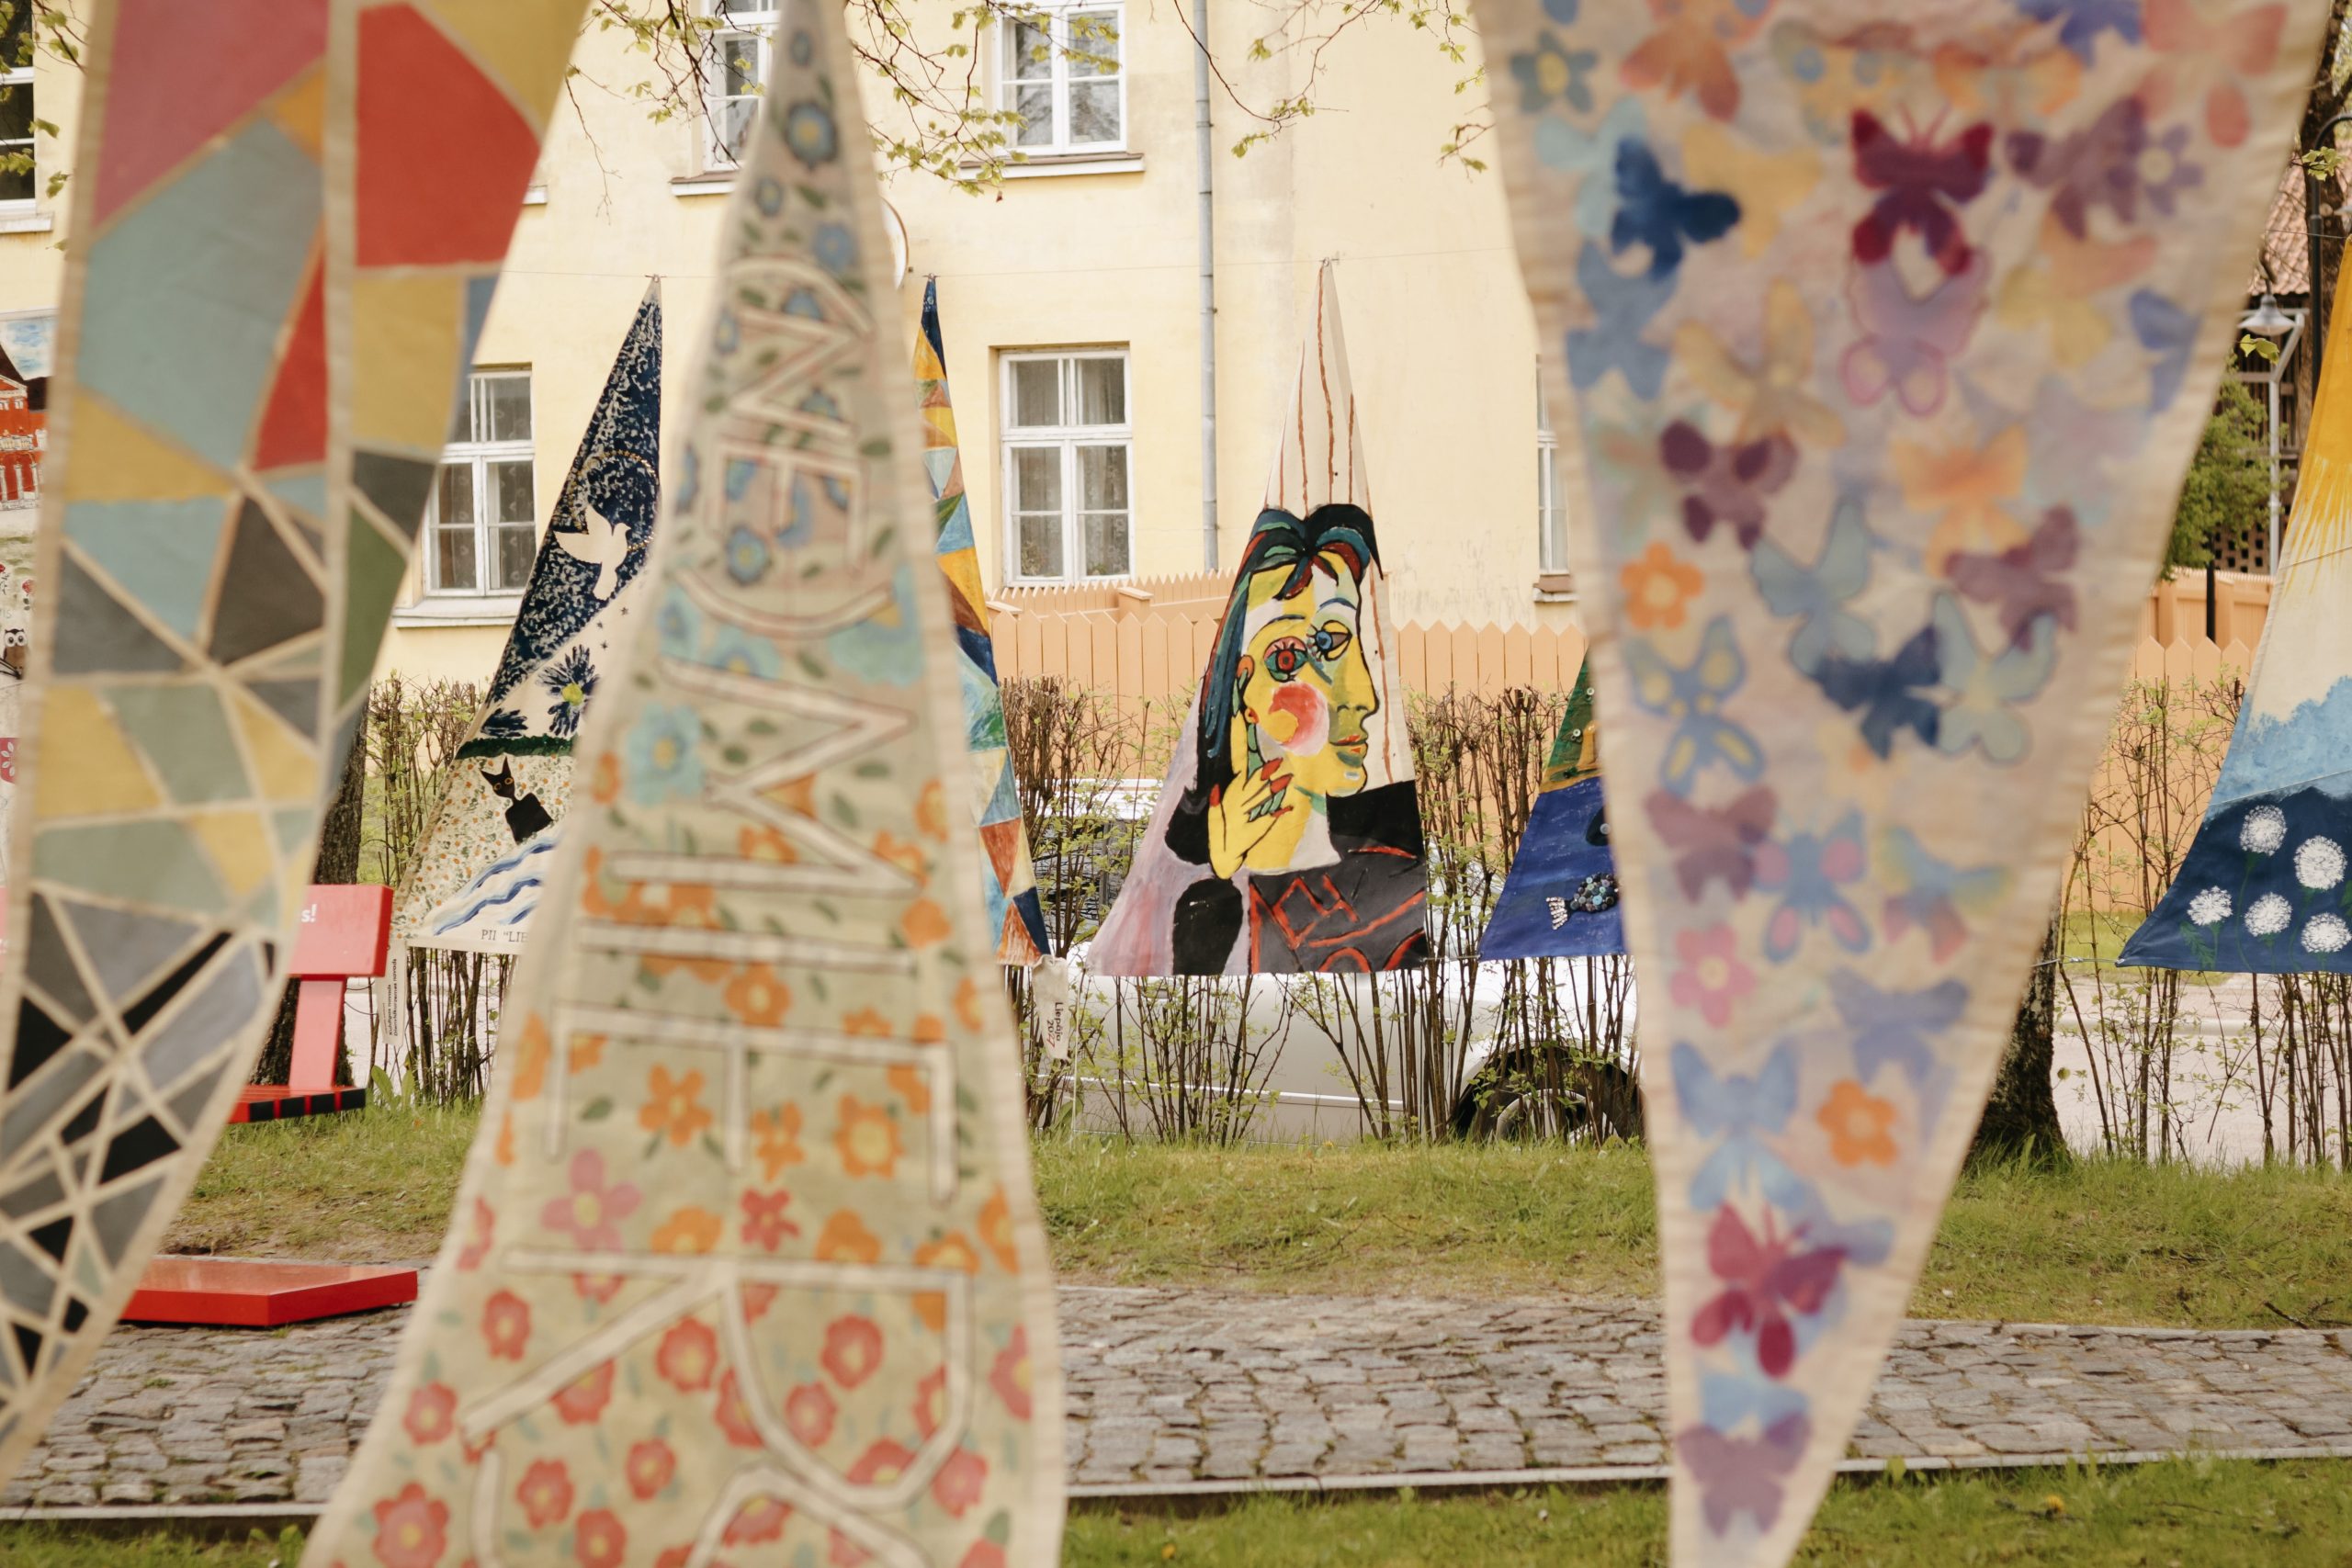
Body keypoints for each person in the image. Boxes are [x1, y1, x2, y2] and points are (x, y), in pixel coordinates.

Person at [1161, 502, 1426, 972]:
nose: (1363, 698)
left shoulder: (1390, 883)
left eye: (1345, 643)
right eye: (1293, 656)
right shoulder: (1201, 910)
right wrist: (1223, 864)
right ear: (1243, 687)